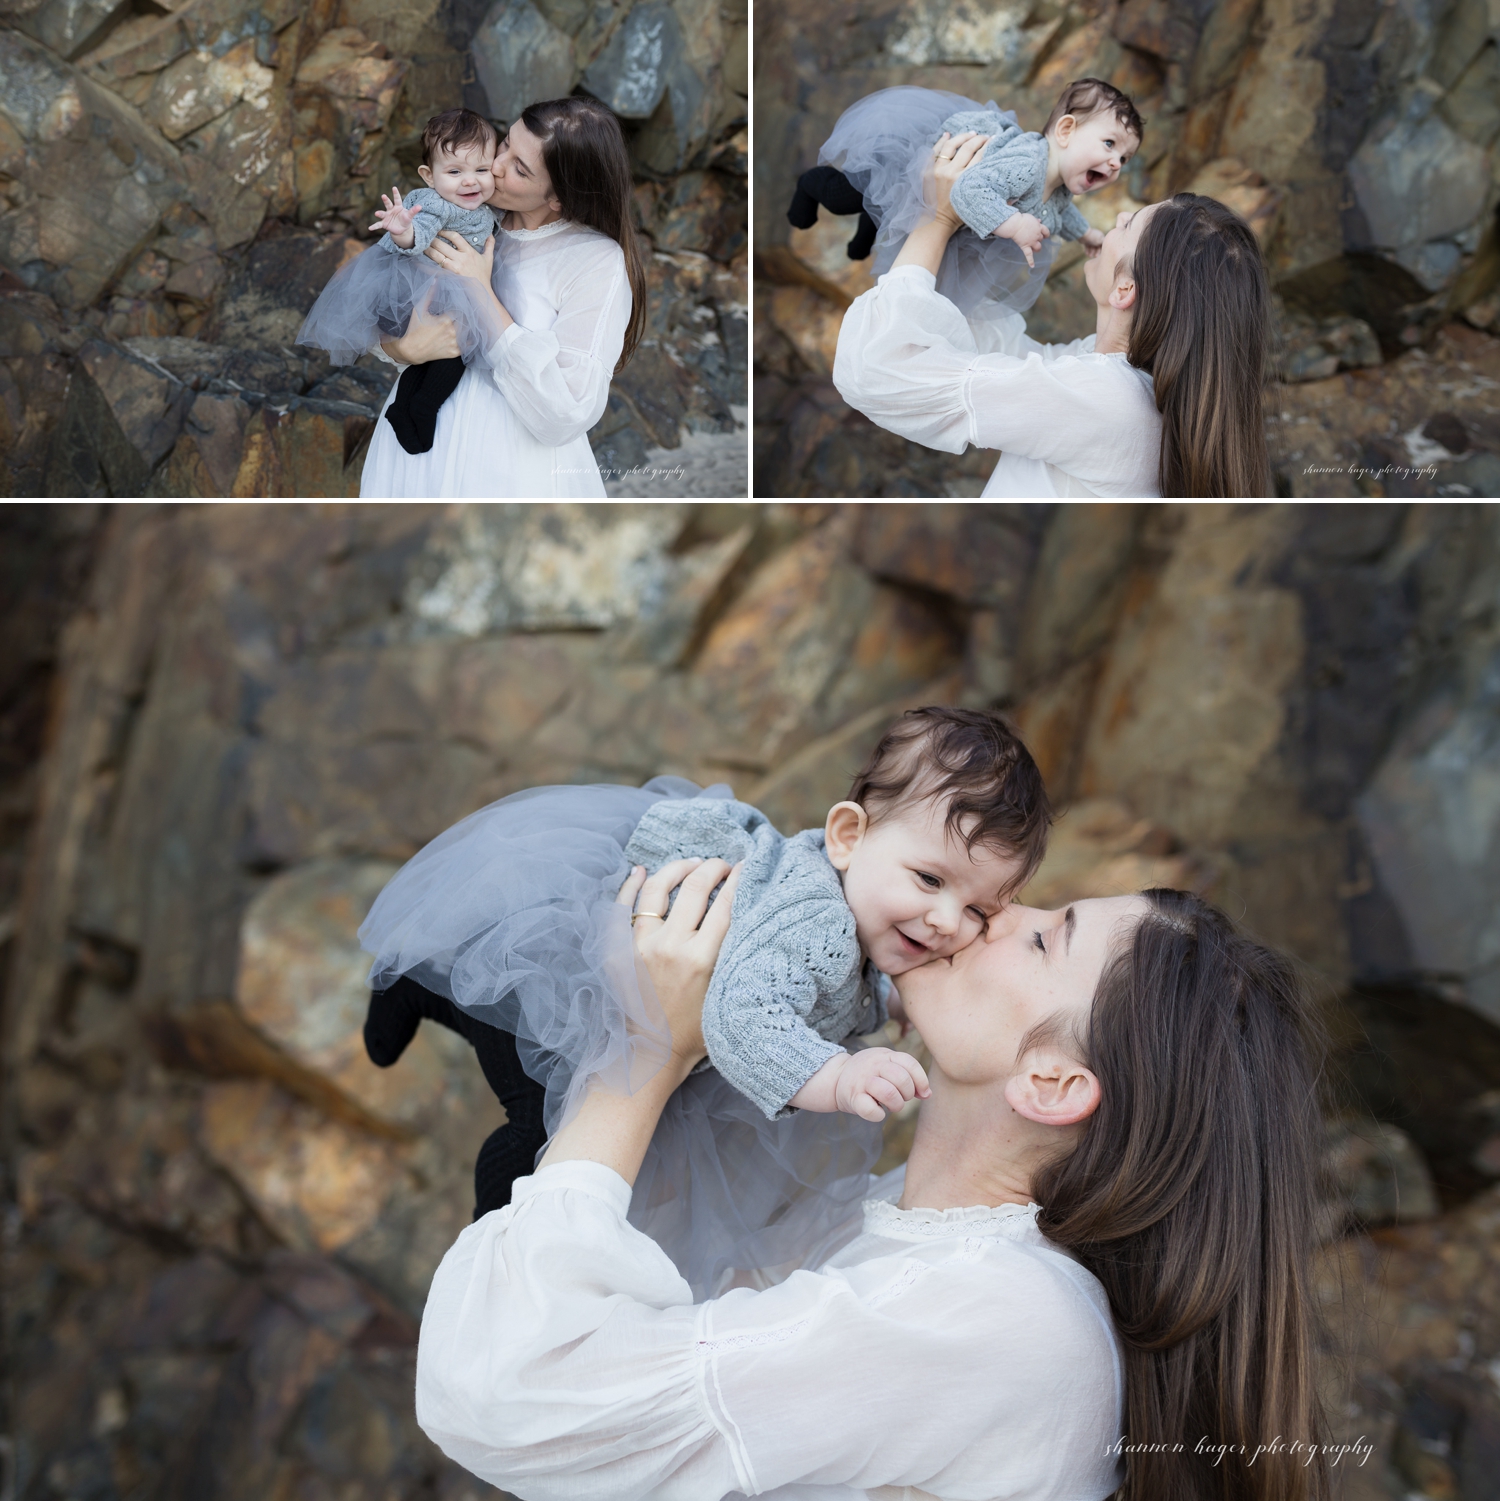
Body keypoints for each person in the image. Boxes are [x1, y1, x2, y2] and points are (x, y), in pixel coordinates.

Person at [414, 865, 1332, 1501]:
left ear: (1051, 1082)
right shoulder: (901, 1216)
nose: (995, 910)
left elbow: (511, 1393)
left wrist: (644, 1053)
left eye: (1047, 938)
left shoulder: (998, 1318)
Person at [358, 707, 1051, 1296]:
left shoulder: (864, 926)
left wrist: (889, 996)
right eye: (929, 878)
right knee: (538, 1116)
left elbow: (834, 983)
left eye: (978, 908)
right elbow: (744, 1015)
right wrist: (838, 1075)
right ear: (848, 837)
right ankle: (499, 1212)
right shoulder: (815, 916)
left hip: (644, 1009)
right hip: (593, 984)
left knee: (503, 1028)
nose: (944, 920)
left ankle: (421, 985)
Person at [833, 129, 1273, 498]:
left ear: (1125, 289)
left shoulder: (1105, 400)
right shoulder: (1130, 389)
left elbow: (879, 369)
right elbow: (995, 349)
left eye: (1128, 225)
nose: (1118, 215)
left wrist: (940, 218)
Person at [357, 96, 647, 497]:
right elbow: (385, 299)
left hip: (508, 464)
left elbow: (567, 412)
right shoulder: (461, 213)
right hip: (413, 452)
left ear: (558, 197)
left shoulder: (595, 261)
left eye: (519, 168)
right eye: (506, 143)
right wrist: (402, 349)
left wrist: (480, 287)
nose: (493, 165)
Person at [792, 79, 1143, 323]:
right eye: (1109, 144)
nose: (1115, 164)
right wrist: (1016, 224)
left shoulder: (1061, 187)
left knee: (884, 212)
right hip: (915, 173)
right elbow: (967, 191)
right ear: (1066, 131)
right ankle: (809, 185)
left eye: (1124, 159)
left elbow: (1060, 213)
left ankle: (863, 234)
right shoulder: (1026, 165)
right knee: (849, 196)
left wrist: (1087, 236)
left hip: (930, 206)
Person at [297, 109, 507, 455]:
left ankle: (402, 408)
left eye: (481, 170)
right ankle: (424, 407)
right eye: (455, 171)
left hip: (438, 290)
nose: (470, 181)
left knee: (431, 357)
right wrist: (404, 231)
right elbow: (420, 235)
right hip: (415, 291)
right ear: (429, 175)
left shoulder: (479, 204)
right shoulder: (432, 203)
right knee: (454, 356)